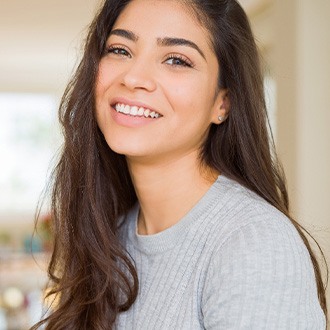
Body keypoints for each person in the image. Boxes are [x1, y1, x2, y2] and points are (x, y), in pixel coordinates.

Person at [32, 0, 327, 329]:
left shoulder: (253, 244)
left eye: (176, 59)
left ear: (223, 103)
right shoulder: (110, 236)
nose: (134, 77)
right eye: (120, 49)